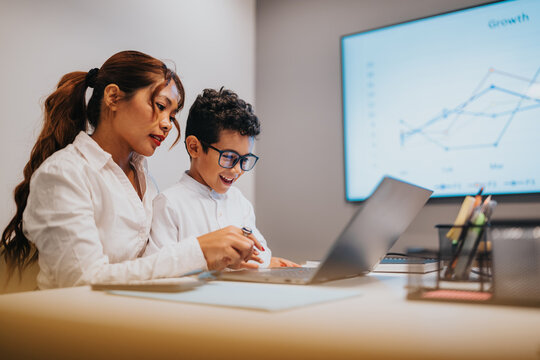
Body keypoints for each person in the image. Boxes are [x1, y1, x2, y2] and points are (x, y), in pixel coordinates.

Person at [0, 51, 261, 289]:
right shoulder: (63, 175)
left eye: (172, 115)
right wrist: (199, 252)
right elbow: (80, 281)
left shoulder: (145, 181)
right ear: (113, 98)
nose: (168, 124)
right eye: (160, 106)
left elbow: (150, 265)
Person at [147, 88, 298, 268]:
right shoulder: (169, 204)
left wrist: (267, 261)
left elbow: (262, 253)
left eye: (244, 160)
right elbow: (157, 267)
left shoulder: (239, 202)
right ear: (194, 147)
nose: (236, 170)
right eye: (228, 157)